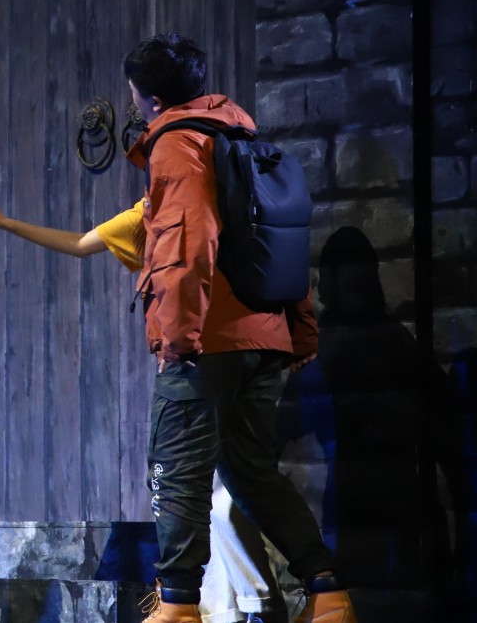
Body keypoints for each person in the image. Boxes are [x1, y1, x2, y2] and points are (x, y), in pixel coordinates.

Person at [117, 33, 354, 623]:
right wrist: (299, 330)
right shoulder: (242, 137)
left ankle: (178, 607)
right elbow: (284, 237)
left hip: (207, 338)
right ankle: (327, 594)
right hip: (264, 335)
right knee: (251, 472)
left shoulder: (177, 143)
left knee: (177, 470)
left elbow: (187, 244)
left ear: (149, 98)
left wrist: (177, 338)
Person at [0, 191, 293, 623]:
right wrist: (6, 222)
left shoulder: (220, 198)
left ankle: (253, 603)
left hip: (224, 356)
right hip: (208, 360)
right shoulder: (150, 211)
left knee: (216, 488)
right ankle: (233, 605)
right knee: (203, 491)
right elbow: (81, 243)